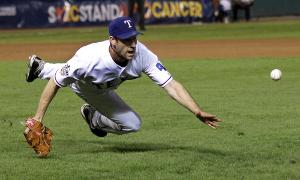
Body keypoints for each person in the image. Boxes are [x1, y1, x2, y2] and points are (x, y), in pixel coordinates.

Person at [25, 16, 221, 138]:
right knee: (74, 74)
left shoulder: (142, 54)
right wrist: (38, 118)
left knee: (131, 122)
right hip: (89, 88)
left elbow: (171, 85)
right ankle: (95, 118)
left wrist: (197, 110)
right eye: (127, 40)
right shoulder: (89, 57)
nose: (133, 44)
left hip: (102, 86)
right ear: (112, 40)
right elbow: (56, 82)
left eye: (134, 38)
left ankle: (40, 68)